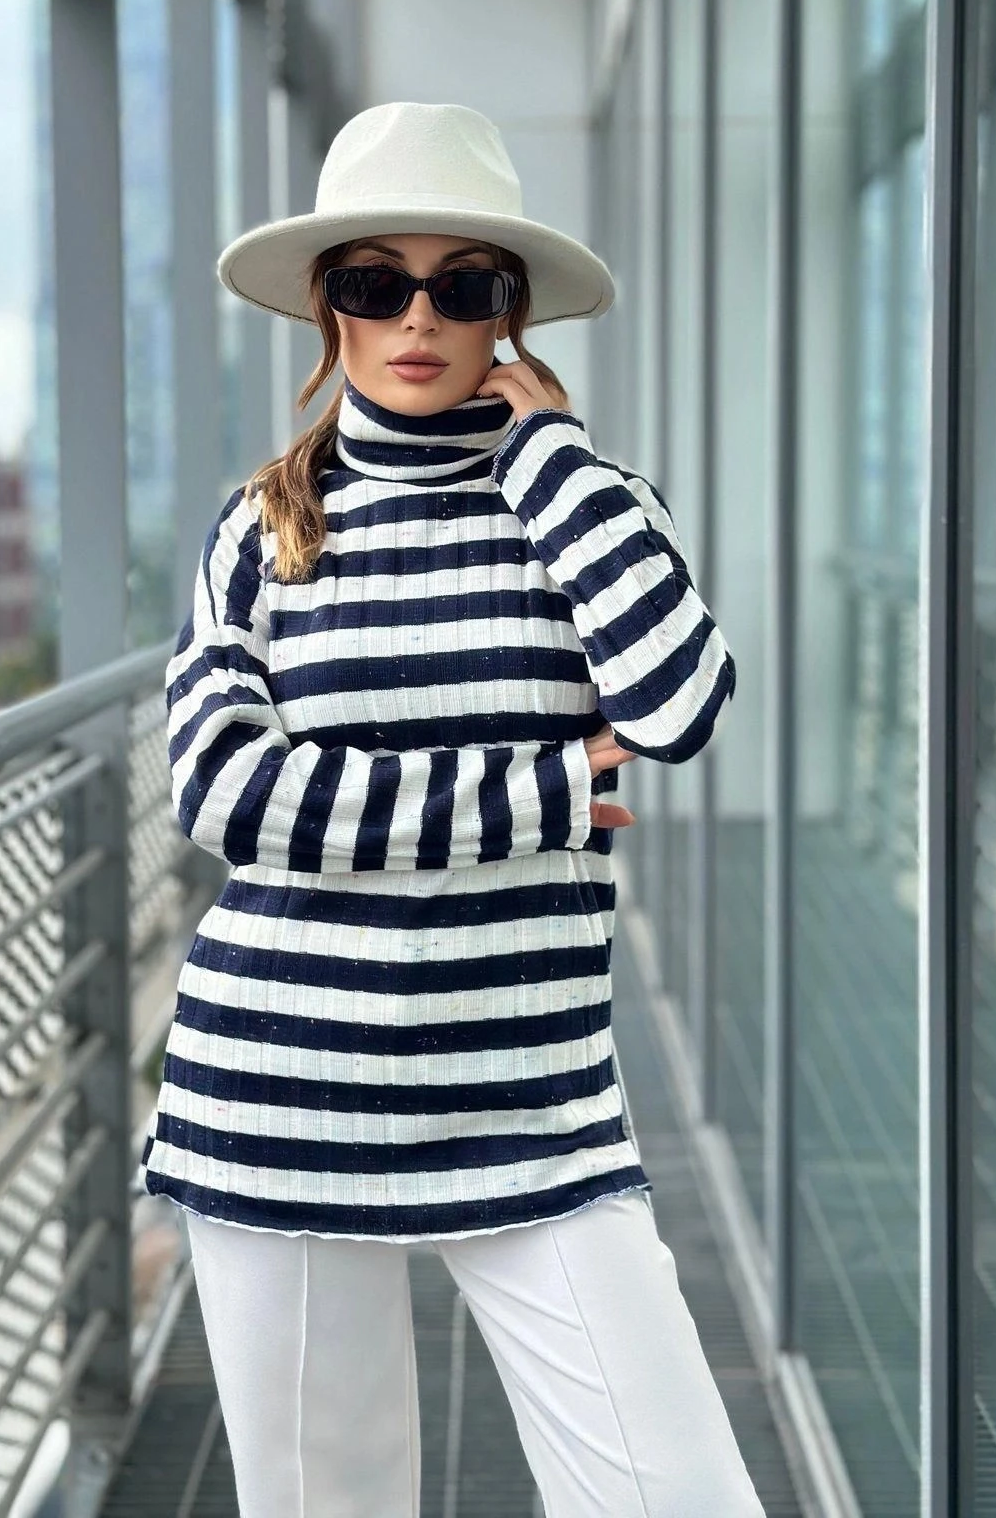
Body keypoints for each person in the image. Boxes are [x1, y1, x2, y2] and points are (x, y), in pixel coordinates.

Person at [137, 101, 763, 1515]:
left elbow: (679, 710)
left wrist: (551, 464)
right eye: (376, 282)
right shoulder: (263, 526)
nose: (417, 317)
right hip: (278, 1088)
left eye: (462, 286)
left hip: (533, 1093)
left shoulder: (592, 506)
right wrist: (547, 788)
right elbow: (229, 796)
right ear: (329, 307)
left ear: (510, 314)